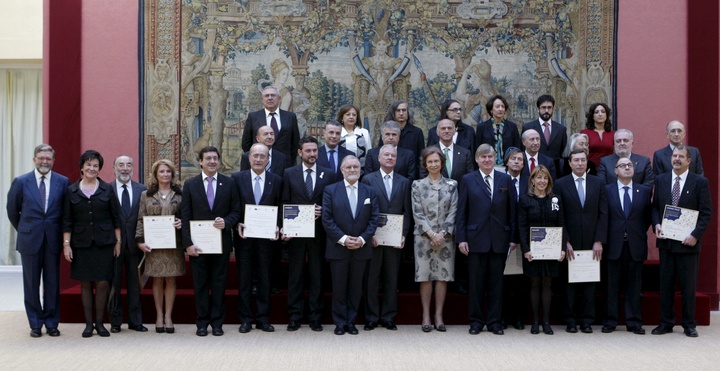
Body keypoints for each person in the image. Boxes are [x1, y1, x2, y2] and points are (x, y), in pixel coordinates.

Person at [6, 144, 69, 338]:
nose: (44, 161)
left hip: (52, 240)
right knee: (31, 284)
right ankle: (35, 323)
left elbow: (66, 212)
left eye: (48, 158)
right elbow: (12, 211)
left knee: (52, 283)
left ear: (53, 160)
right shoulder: (21, 182)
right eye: (41, 158)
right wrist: (26, 230)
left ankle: (51, 323)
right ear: (34, 159)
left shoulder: (63, 181)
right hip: (29, 240)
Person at [651, 145, 712, 338]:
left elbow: (706, 213)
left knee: (688, 286)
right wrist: (656, 225)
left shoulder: (700, 182)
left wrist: (695, 235)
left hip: (688, 243)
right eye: (674, 156)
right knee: (666, 285)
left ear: (688, 160)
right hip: (667, 243)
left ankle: (688, 323)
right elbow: (654, 208)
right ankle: (666, 323)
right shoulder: (660, 180)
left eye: (681, 156)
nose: (676, 158)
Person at [456, 144, 518, 335]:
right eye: (483, 157)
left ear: (495, 158)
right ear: (477, 160)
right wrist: (461, 239)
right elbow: (462, 212)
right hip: (475, 240)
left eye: (490, 156)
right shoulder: (467, 180)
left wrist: (513, 238)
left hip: (500, 239)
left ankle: (494, 322)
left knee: (496, 284)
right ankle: (475, 322)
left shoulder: (505, 179)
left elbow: (512, 212)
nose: (487, 160)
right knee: (476, 284)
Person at [181, 146, 241, 337]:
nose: (212, 162)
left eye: (215, 158)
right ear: (200, 161)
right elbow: (185, 216)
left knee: (218, 285)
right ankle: (201, 323)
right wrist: (187, 244)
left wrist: (227, 222)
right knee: (200, 286)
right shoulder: (190, 185)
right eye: (208, 159)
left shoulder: (229, 183)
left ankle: (217, 323)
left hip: (220, 245)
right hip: (197, 246)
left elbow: (236, 211)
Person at [62, 150, 121, 338]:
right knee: (86, 283)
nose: (91, 168)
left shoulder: (107, 189)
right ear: (82, 167)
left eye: (95, 165)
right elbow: (67, 220)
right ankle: (88, 325)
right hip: (81, 244)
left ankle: (100, 323)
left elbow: (116, 218)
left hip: (104, 243)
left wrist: (118, 241)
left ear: (99, 168)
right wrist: (66, 244)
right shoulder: (71, 190)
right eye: (88, 164)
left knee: (103, 283)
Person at [283, 136, 336, 332]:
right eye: (308, 151)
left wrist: (323, 210)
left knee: (317, 276)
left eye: (315, 151)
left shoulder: (329, 174)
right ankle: (295, 316)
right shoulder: (289, 174)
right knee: (295, 276)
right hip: (295, 233)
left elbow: (333, 202)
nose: (312, 154)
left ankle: (315, 317)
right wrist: (285, 226)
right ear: (300, 153)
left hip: (319, 233)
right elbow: (284, 202)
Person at [322, 156, 379, 335]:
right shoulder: (330, 190)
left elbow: (374, 219)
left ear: (360, 170)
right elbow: (327, 219)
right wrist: (344, 239)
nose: (353, 169)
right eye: (349, 167)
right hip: (338, 247)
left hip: (361, 248)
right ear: (342, 170)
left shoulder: (369, 191)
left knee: (355, 287)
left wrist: (362, 239)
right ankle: (339, 322)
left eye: (356, 167)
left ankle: (351, 321)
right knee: (339, 287)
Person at [555, 149, 608, 334]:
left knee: (589, 284)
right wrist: (565, 241)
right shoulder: (560, 184)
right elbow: (559, 215)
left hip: (592, 244)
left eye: (582, 160)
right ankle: (570, 320)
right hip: (570, 242)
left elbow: (603, 214)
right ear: (569, 163)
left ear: (587, 163)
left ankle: (587, 320)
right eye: (576, 160)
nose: (579, 163)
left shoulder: (598, 183)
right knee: (569, 285)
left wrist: (599, 240)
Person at [361, 145, 412, 331]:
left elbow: (407, 211)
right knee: (372, 279)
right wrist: (369, 235)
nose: (390, 158)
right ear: (379, 158)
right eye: (386, 155)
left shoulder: (404, 182)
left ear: (396, 159)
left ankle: (388, 316)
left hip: (394, 240)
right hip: (373, 239)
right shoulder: (367, 179)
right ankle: (372, 317)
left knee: (392, 278)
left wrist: (404, 234)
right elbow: (364, 210)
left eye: (393, 155)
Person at [233, 143, 282, 333]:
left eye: (263, 156)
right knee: (244, 278)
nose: (259, 159)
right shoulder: (237, 179)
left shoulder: (276, 180)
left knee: (265, 278)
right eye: (255, 156)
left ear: (268, 159)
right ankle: (245, 319)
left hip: (267, 239)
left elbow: (280, 204)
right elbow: (233, 205)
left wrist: (278, 224)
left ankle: (263, 318)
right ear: (249, 158)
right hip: (244, 237)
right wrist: (237, 222)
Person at [602, 157, 652, 335]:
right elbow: (603, 217)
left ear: (634, 170)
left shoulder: (644, 191)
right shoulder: (606, 190)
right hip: (613, 244)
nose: (626, 168)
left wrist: (633, 232)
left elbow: (647, 218)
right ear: (615, 170)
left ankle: (634, 322)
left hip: (635, 244)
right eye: (622, 166)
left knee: (634, 286)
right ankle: (610, 321)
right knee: (612, 285)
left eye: (629, 165)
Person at [135, 159, 185, 334]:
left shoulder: (180, 194)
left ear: (172, 174)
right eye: (161, 171)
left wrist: (182, 223)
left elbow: (186, 215)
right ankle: (158, 316)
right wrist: (140, 241)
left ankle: (168, 317)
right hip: (153, 245)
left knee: (171, 279)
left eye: (168, 171)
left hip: (173, 244)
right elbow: (141, 218)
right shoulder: (146, 195)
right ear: (155, 174)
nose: (165, 174)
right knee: (156, 279)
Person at [411, 147, 458, 332]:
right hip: (424, 238)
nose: (433, 164)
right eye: (429, 161)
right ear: (425, 164)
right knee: (425, 276)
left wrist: (443, 233)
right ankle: (426, 315)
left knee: (442, 277)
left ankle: (439, 315)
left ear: (442, 163)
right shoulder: (417, 185)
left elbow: (453, 211)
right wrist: (431, 233)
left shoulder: (452, 185)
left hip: (445, 238)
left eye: (436, 161)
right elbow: (417, 212)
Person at [519, 165, 567, 335]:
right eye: (538, 177)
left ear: (549, 181)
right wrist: (525, 249)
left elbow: (561, 224)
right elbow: (522, 226)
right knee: (534, 283)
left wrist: (562, 248)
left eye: (545, 178)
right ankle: (534, 321)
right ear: (532, 180)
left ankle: (546, 321)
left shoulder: (555, 199)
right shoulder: (525, 199)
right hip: (533, 251)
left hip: (551, 251)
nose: (542, 181)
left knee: (547, 283)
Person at [109, 155, 148, 333]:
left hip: (135, 245)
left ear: (133, 168)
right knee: (114, 284)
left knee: (134, 285)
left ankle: (135, 321)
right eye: (121, 165)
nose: (125, 168)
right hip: (113, 246)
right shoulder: (106, 189)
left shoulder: (143, 190)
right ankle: (115, 322)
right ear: (114, 168)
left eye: (129, 165)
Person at [502, 146, 529, 329]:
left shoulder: (530, 181)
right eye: (513, 159)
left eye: (520, 159)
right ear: (507, 161)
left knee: (522, 281)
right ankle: (503, 317)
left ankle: (519, 318)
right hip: (504, 238)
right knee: (504, 280)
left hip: (526, 239)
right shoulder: (500, 180)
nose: (517, 162)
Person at [241, 85, 300, 166]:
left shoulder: (290, 117)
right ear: (262, 100)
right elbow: (246, 143)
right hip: (260, 165)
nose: (270, 98)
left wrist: (288, 160)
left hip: (284, 165)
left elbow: (295, 143)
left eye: (273, 95)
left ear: (279, 99)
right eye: (267, 96)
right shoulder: (253, 117)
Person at [476, 95, 522, 168]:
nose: (500, 109)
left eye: (502, 107)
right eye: (497, 107)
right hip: (487, 165)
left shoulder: (512, 127)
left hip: (507, 166)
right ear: (491, 110)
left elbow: (517, 148)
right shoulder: (482, 127)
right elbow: (478, 149)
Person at [522, 95, 567, 164]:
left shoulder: (561, 129)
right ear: (538, 109)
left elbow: (563, 151)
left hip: (555, 170)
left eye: (549, 108)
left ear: (553, 109)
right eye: (543, 107)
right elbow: (523, 150)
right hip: (534, 168)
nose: (546, 110)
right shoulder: (528, 127)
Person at [580, 103, 615, 169]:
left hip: (609, 168)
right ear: (592, 116)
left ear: (606, 115)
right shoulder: (584, 133)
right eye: (596, 112)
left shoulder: (613, 134)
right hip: (590, 168)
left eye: (603, 112)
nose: (600, 114)